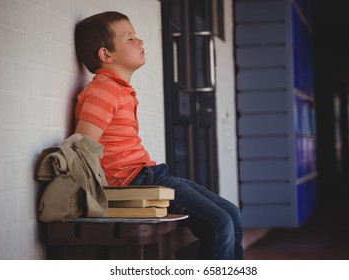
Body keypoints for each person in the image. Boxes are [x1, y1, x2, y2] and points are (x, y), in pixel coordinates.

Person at [74, 11, 243, 260]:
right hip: (133, 182)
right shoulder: (103, 91)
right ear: (106, 54)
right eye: (130, 39)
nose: (140, 42)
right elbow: (81, 147)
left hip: (150, 174)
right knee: (219, 223)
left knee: (231, 213)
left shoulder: (118, 89)